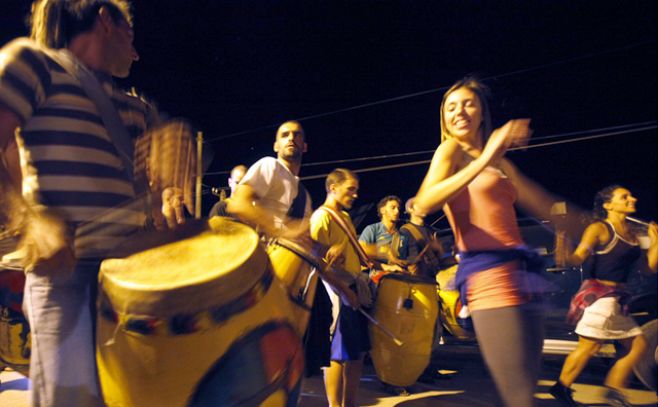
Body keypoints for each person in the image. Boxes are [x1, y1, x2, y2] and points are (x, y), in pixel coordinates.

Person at [0, 1, 194, 406]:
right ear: (106, 21)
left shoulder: (136, 110)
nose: (136, 51)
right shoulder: (33, 64)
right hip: (65, 280)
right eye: (131, 34)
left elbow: (143, 204)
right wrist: (30, 221)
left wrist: (170, 194)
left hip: (129, 290)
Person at [414, 77, 563, 407]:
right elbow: (425, 202)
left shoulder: (502, 162)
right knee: (519, 396)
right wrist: (485, 157)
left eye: (468, 103)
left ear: (483, 113)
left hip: (524, 274)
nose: (459, 112)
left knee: (526, 384)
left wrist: (584, 223)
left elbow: (541, 204)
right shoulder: (450, 150)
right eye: (451, 107)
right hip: (488, 275)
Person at [550, 185, 658, 407]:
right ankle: (611, 391)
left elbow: (648, 269)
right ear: (608, 205)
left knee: (625, 346)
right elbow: (578, 258)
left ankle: (565, 387)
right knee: (597, 346)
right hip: (599, 299)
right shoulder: (599, 228)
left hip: (617, 300)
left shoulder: (632, 234)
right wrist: (561, 244)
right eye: (624, 197)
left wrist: (656, 241)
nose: (632, 198)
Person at [309, 168, 370, 407]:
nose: (355, 195)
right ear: (333, 188)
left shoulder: (344, 218)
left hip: (352, 286)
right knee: (338, 353)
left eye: (356, 190)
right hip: (336, 291)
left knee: (357, 354)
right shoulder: (321, 217)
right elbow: (313, 260)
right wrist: (345, 291)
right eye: (350, 189)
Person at [228, 120, 311, 237]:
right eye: (285, 135)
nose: (291, 138)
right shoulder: (270, 165)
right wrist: (282, 231)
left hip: (288, 252)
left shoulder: (305, 195)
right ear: (276, 146)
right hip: (266, 251)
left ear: (305, 147)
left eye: (297, 134)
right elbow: (239, 203)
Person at [359, 195, 406, 283]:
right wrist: (386, 255)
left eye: (398, 208)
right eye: (393, 208)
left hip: (399, 275)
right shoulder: (372, 229)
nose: (397, 211)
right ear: (382, 210)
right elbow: (360, 251)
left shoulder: (402, 235)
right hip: (378, 276)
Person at [396, 197, 444, 279]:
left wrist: (438, 250)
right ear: (410, 209)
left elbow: (439, 256)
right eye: (420, 205)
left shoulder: (430, 230)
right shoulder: (405, 231)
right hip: (416, 279)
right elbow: (401, 258)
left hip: (433, 277)